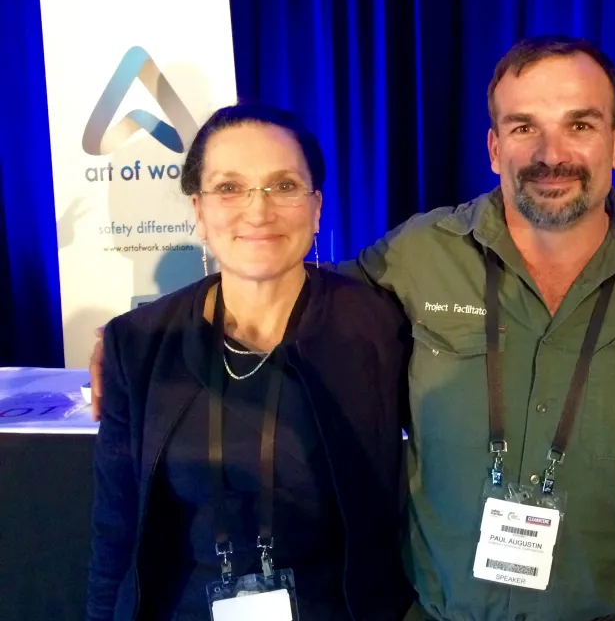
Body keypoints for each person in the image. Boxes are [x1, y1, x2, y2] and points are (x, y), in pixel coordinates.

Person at [342, 36, 615, 621]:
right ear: (495, 147)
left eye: (579, 125)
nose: (550, 154)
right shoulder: (420, 253)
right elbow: (301, 316)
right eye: (524, 127)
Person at [86, 104, 412, 620]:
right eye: (230, 188)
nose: (258, 212)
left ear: (317, 206)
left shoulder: (378, 328)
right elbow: (116, 531)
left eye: (283, 186)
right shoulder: (140, 343)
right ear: (198, 210)